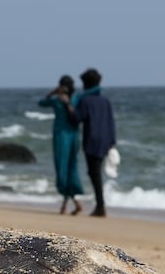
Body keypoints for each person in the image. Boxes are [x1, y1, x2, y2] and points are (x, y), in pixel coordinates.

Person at [72, 68, 116, 217]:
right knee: (96, 173)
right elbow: (111, 122)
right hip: (105, 140)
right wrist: (112, 141)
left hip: (92, 141)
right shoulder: (105, 101)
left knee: (94, 174)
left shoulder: (84, 100)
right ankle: (100, 205)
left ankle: (100, 206)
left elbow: (77, 118)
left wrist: (68, 105)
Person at [39, 75, 83, 214]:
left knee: (68, 168)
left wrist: (67, 102)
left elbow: (78, 116)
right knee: (63, 168)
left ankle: (72, 202)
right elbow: (41, 103)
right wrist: (53, 92)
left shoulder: (75, 99)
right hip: (65, 135)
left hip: (67, 135)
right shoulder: (57, 99)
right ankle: (68, 203)